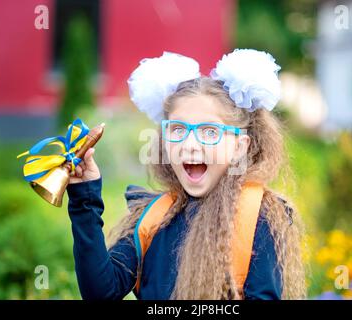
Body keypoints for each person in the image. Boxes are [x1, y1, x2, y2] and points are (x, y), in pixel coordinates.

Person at [67, 49, 306, 300]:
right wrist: (85, 200)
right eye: (178, 129)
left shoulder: (258, 216)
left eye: (209, 132)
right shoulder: (153, 216)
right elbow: (100, 293)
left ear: (239, 147)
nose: (190, 144)